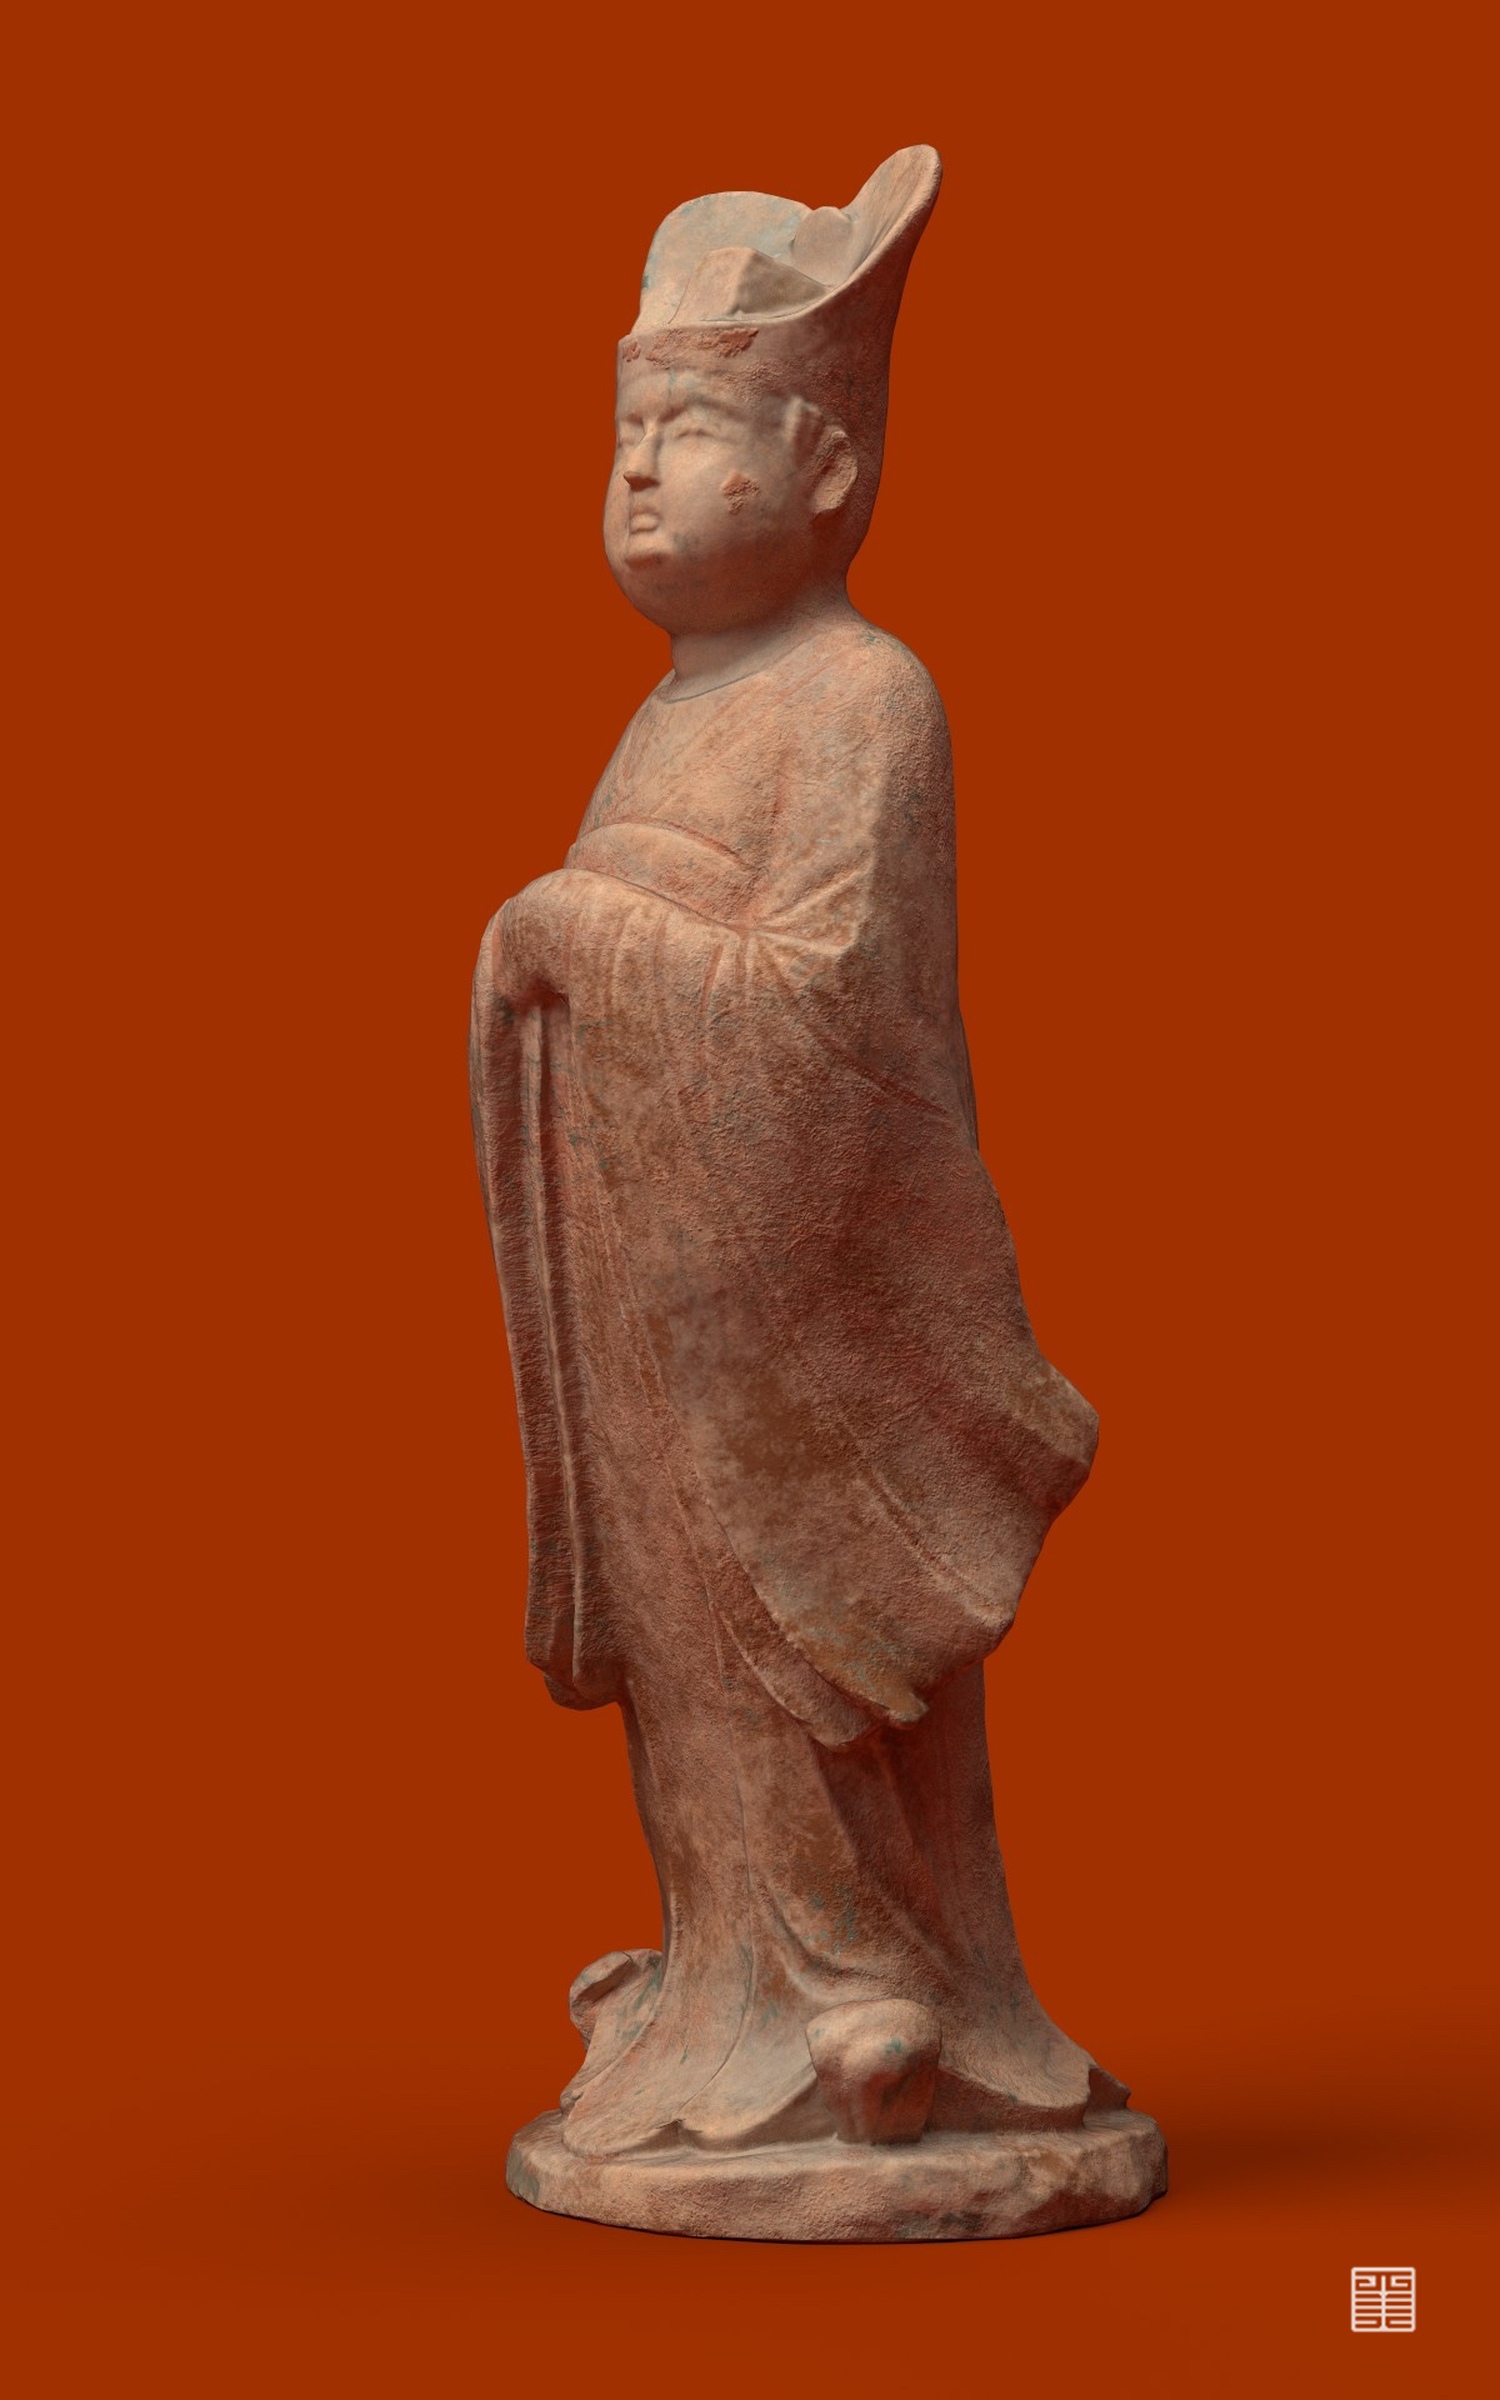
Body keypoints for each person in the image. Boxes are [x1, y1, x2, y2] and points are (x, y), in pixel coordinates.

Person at [471, 147, 1123, 2164]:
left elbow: (834, 997)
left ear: (824, 463)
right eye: (624, 431)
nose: (637, 471)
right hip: (655, 1273)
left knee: (807, 1630)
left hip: (800, 1290)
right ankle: (731, 1973)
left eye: (690, 429)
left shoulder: (863, 698)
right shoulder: (671, 715)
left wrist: (577, 933)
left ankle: (879, 1985)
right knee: (690, 1646)